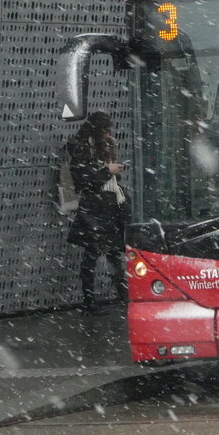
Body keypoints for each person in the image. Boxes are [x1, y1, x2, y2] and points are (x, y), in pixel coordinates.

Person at [66, 112, 129, 312]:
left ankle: (123, 297)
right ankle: (91, 300)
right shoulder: (82, 148)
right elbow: (85, 181)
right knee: (93, 253)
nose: (108, 133)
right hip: (94, 206)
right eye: (105, 129)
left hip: (108, 204)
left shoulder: (103, 146)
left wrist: (111, 172)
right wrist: (107, 171)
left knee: (112, 254)